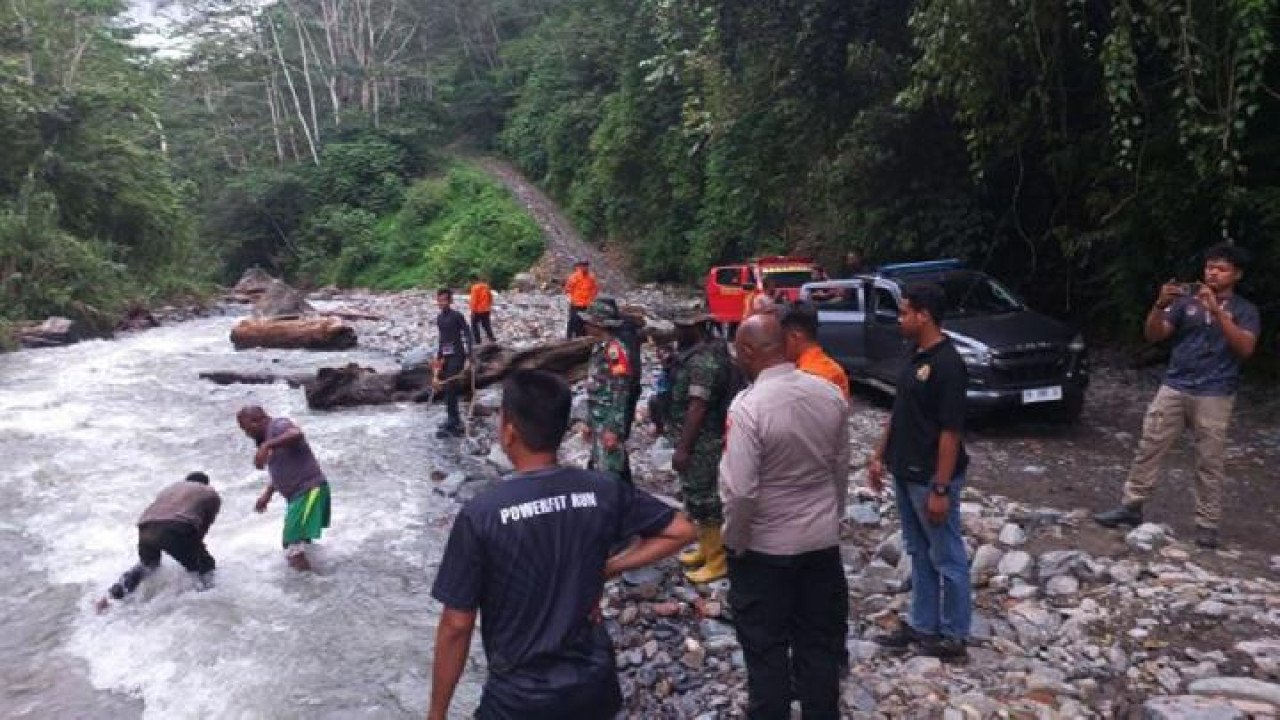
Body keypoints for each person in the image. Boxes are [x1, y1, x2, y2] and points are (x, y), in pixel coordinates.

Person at [427, 369, 697, 720]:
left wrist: (437, 713)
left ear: (509, 431)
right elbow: (682, 531)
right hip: (593, 687)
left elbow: (457, 625)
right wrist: (610, 567)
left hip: (519, 699)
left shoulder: (482, 514)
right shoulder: (601, 490)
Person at [721, 313, 851, 719]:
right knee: (820, 646)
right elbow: (840, 468)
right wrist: (832, 519)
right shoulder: (829, 394)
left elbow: (740, 490)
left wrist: (735, 541)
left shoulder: (748, 407)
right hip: (821, 544)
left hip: (765, 549)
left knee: (765, 651)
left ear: (748, 351)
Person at [1094, 243, 1260, 549]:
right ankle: (1131, 506)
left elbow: (1245, 348)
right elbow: (1154, 335)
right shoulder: (1186, 302)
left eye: (1221, 269)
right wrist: (1159, 305)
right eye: (1209, 267)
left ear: (1236, 275)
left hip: (1215, 393)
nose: (1213, 273)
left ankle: (1207, 524)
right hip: (1175, 385)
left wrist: (1217, 312)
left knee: (1209, 460)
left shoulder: (1245, 310)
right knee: (1149, 445)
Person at [867, 282, 971, 661]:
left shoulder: (949, 365)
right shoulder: (915, 355)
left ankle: (955, 635)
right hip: (904, 470)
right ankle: (923, 624)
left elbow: (951, 432)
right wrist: (879, 455)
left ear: (924, 315)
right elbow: (900, 410)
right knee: (918, 551)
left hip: (930, 475)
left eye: (905, 312)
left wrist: (941, 488)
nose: (900, 319)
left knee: (947, 555)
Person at [666, 311, 733, 583]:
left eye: (680, 327)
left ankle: (717, 559)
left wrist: (683, 448)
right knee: (694, 495)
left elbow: (698, 407)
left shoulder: (705, 361)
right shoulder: (694, 354)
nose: (676, 331)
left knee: (706, 499)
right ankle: (706, 548)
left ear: (695, 328)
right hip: (696, 439)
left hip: (703, 441)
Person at [94, 472, 220, 612]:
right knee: (206, 565)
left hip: (145, 527)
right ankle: (206, 603)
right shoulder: (209, 493)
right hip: (176, 527)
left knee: (148, 565)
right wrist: (197, 552)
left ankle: (111, 597)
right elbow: (203, 528)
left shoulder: (170, 489)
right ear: (206, 483)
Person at [237, 406, 332, 571]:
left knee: (291, 546)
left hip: (309, 491)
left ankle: (308, 584)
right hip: (300, 496)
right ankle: (315, 575)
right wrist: (267, 494)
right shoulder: (268, 438)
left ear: (256, 421)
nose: (247, 434)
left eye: (246, 429)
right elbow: (282, 469)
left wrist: (267, 445)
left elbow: (296, 433)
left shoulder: (278, 425)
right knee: (301, 542)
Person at [580, 300, 634, 484]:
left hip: (608, 417)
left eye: (589, 322)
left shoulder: (614, 350)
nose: (586, 325)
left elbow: (621, 390)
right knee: (600, 463)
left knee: (610, 467)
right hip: (598, 416)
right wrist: (588, 421)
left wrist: (613, 428)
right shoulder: (599, 347)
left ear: (600, 324)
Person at [782, 301, 850, 399]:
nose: (779, 345)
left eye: (781, 338)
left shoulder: (809, 376)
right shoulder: (831, 368)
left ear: (794, 336)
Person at [599, 297, 644, 441]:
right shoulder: (623, 330)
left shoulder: (618, 340)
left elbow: (621, 376)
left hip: (626, 387)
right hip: (631, 383)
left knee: (619, 435)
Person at [433, 288, 473, 439]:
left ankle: (454, 420)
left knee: (451, 386)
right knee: (445, 387)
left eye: (444, 300)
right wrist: (438, 359)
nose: (441, 303)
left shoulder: (457, 316)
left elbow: (467, 333)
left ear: (450, 301)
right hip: (446, 355)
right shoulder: (439, 318)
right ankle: (451, 417)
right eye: (439, 300)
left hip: (458, 355)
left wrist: (469, 354)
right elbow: (442, 340)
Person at [565, 259, 599, 339]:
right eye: (583, 266)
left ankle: (581, 337)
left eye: (586, 266)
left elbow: (595, 289)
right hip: (575, 303)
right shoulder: (574, 277)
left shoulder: (591, 277)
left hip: (586, 304)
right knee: (572, 321)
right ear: (580, 266)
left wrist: (592, 299)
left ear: (588, 266)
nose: (584, 267)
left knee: (583, 322)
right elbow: (568, 289)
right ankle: (568, 338)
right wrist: (569, 298)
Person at [469, 276, 496, 344]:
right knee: (486, 325)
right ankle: (492, 338)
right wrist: (489, 306)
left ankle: (478, 341)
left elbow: (474, 300)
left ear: (475, 281)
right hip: (486, 310)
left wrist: (472, 310)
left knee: (475, 326)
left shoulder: (474, 288)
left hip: (477, 310)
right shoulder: (486, 287)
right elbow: (490, 297)